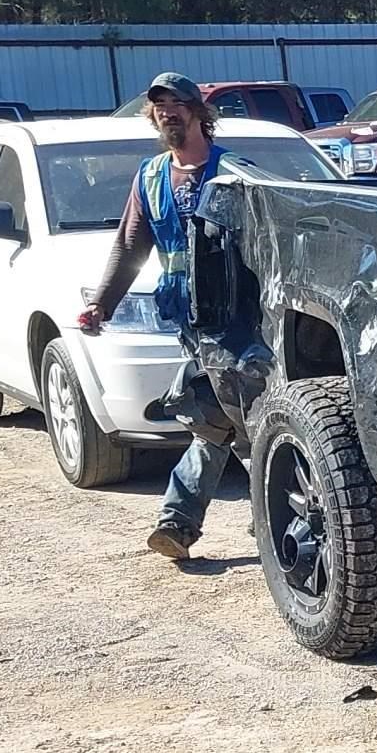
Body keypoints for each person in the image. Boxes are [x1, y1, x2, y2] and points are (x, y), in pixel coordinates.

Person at [75, 73, 231, 560]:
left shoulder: (235, 173)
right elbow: (129, 246)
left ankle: (179, 520)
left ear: (199, 113)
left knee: (224, 417)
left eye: (176, 104)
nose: (167, 113)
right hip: (188, 317)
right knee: (222, 418)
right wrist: (103, 302)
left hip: (241, 316)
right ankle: (183, 521)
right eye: (158, 106)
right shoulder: (149, 177)